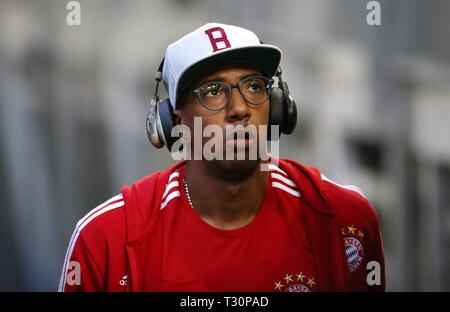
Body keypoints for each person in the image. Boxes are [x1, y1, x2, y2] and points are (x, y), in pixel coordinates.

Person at [59, 22, 385, 292]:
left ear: (277, 107)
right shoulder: (105, 238)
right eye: (214, 91)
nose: (240, 109)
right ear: (174, 121)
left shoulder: (344, 219)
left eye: (254, 86)